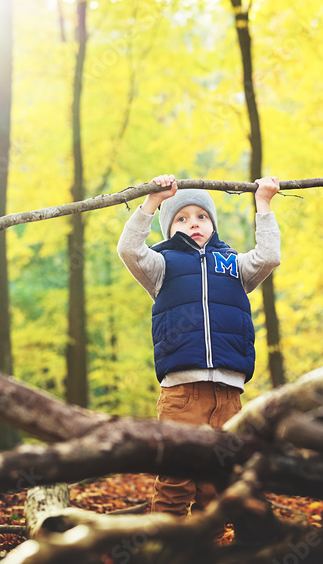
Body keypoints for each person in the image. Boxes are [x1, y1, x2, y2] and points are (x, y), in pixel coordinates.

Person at [116, 173, 281, 518]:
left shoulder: (232, 264)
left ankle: (210, 547)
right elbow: (129, 249)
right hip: (181, 393)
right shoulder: (161, 265)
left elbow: (268, 257)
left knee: (218, 485)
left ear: (213, 224)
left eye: (201, 216)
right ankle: (167, 549)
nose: (194, 224)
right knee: (176, 479)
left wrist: (263, 204)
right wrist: (151, 201)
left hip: (228, 393)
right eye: (182, 218)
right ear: (168, 227)